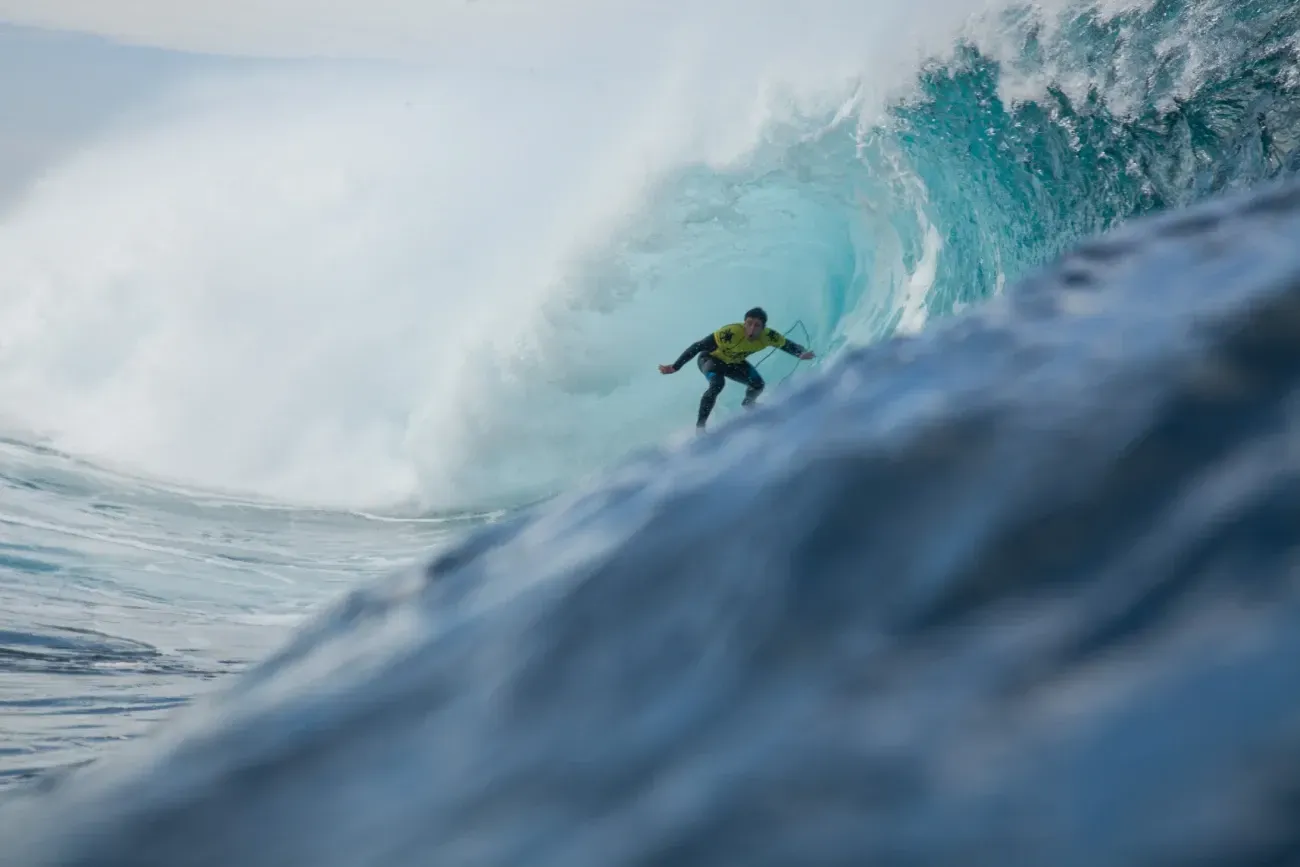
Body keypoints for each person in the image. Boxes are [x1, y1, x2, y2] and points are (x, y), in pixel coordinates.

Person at [658, 307, 815, 431]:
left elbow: (786, 345)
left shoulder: (769, 336)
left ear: (763, 328)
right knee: (717, 384)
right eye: (749, 323)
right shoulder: (730, 332)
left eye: (757, 325)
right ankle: (700, 428)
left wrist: (801, 353)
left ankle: (749, 405)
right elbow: (698, 346)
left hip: (734, 362)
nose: (751, 329)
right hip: (710, 359)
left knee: (758, 384)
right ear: (744, 323)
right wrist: (675, 366)